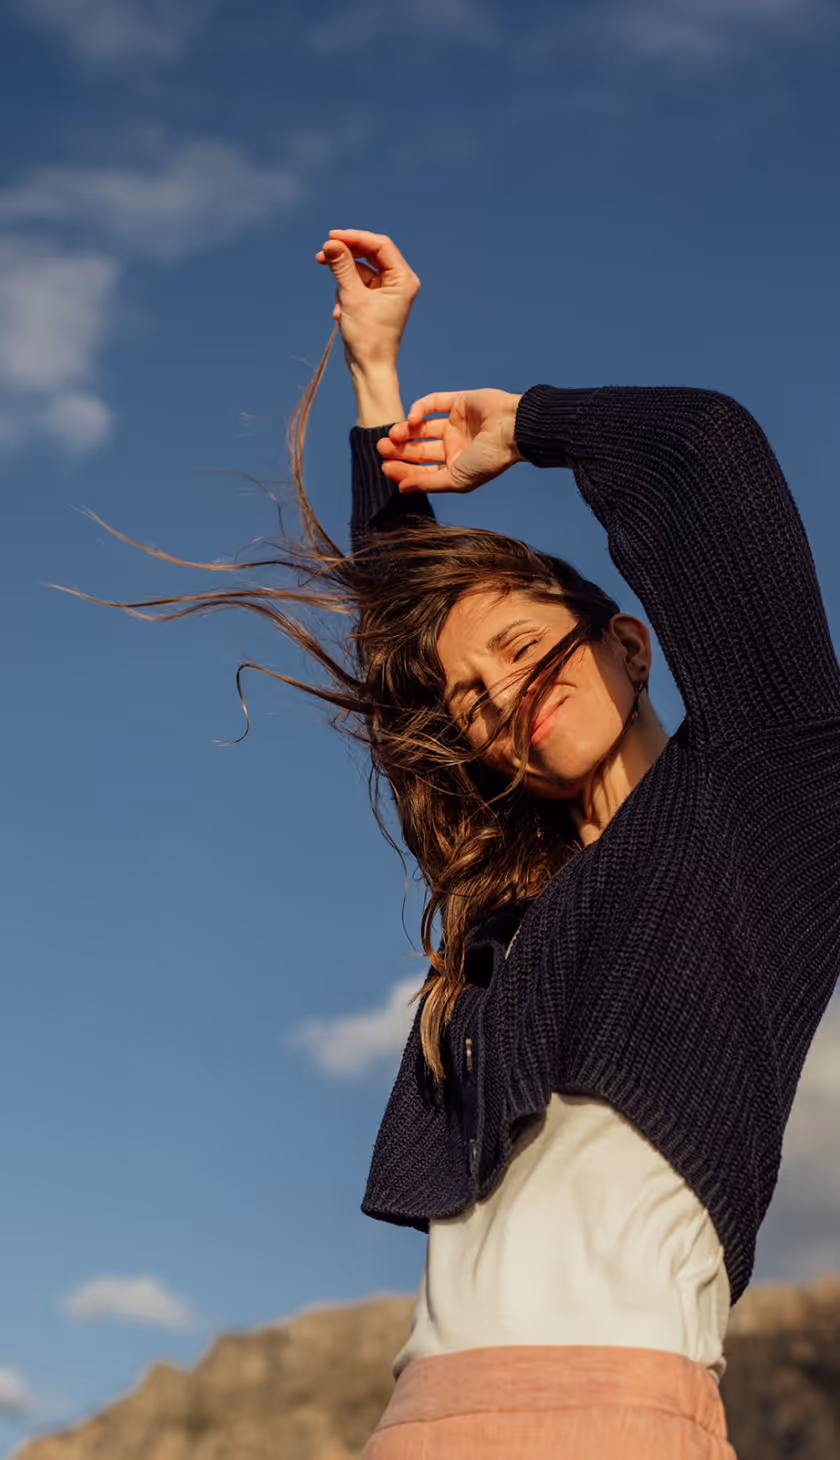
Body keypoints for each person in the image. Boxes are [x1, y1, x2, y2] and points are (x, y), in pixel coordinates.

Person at [70, 228, 840, 1457]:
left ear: (630, 642)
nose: (507, 690)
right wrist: (378, 381)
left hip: (613, 1413)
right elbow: (404, 621)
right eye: (475, 697)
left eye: (530, 645)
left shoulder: (762, 796)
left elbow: (704, 450)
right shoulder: (515, 909)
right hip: (418, 1415)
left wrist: (524, 424)